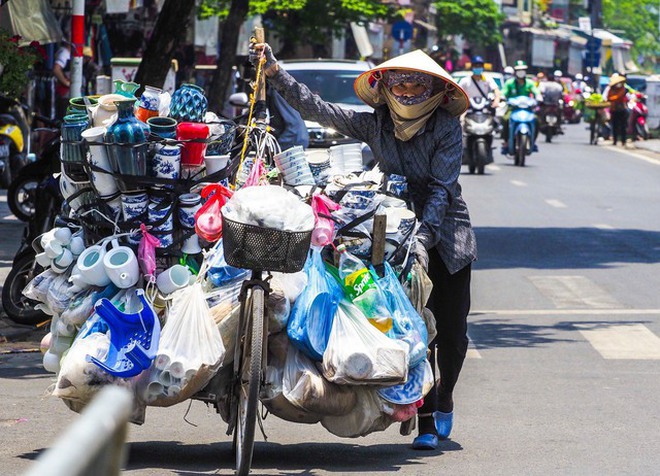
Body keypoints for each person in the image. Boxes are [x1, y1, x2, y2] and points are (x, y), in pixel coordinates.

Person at [251, 43, 477, 450]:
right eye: (400, 84)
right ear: (386, 88)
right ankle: (424, 420)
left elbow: (442, 190)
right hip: (388, 228)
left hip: (446, 235)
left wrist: (424, 239)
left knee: (454, 334)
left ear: (435, 92)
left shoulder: (445, 128)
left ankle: (444, 396)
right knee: (414, 326)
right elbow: (318, 109)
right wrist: (275, 73)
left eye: (417, 86)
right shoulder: (375, 124)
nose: (407, 93)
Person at [500, 60, 542, 154]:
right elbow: (504, 92)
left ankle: (532, 141)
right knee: (505, 119)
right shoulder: (510, 83)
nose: (521, 72)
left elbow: (536, 91)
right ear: (515, 71)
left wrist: (538, 96)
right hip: (513, 109)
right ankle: (506, 141)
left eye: (523, 70)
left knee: (537, 121)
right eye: (519, 70)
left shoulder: (530, 83)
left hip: (527, 110)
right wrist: (502, 97)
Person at [603, 74, 630, 146]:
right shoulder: (610, 90)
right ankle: (615, 140)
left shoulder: (623, 89)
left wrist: (612, 98)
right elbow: (608, 97)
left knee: (623, 126)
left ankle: (623, 141)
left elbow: (619, 97)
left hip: (622, 109)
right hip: (614, 109)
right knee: (614, 126)